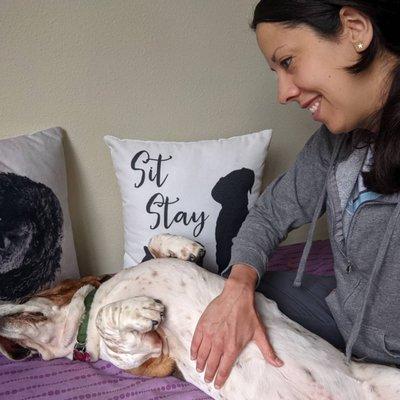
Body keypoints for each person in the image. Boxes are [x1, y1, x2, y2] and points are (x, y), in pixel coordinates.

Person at [190, 0, 400, 391]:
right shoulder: (335, 143)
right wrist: (238, 286)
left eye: (287, 62)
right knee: (223, 292)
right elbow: (269, 214)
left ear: (355, 30)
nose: (283, 93)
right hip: (345, 320)